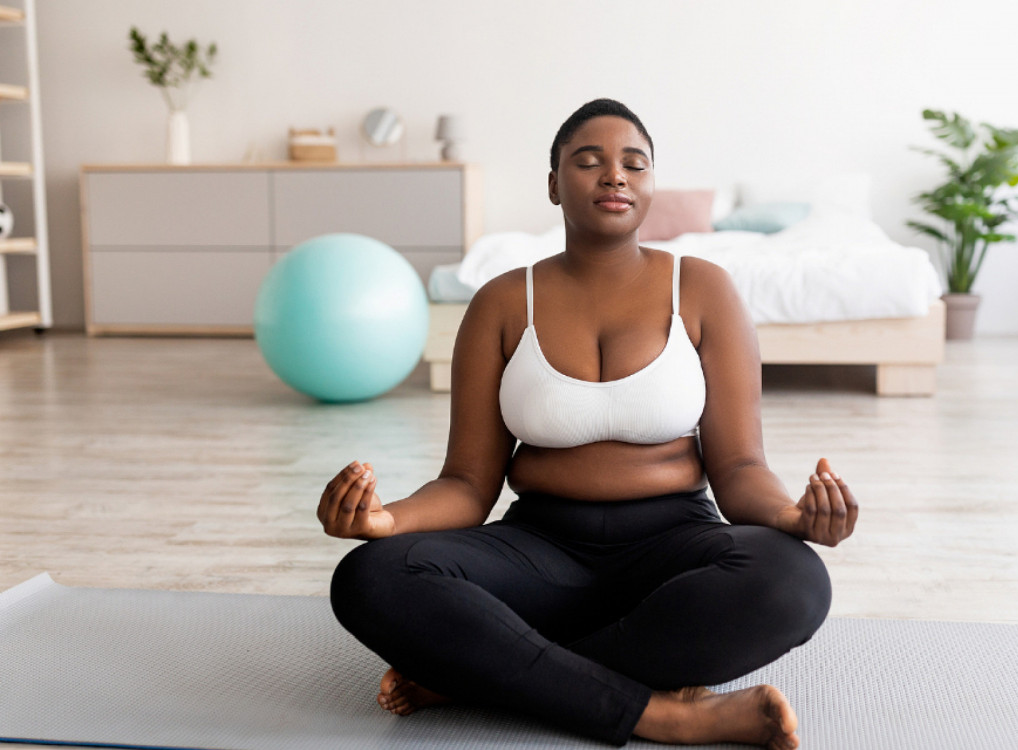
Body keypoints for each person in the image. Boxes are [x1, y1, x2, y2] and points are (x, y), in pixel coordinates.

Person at [319, 98, 859, 749]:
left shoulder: (704, 290)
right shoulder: (499, 302)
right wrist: (383, 521)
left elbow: (741, 470)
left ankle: (480, 676)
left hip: (673, 549)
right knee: (370, 577)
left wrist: (796, 519)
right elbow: (465, 483)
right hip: (538, 551)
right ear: (553, 184)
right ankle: (667, 715)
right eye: (589, 161)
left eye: (635, 163)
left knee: (793, 582)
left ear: (652, 185)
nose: (615, 176)